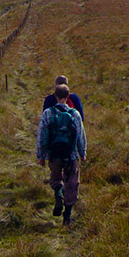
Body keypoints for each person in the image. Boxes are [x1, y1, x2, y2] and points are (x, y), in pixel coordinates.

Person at [36, 84, 87, 225]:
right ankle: (67, 216)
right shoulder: (75, 114)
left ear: (55, 96)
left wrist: (41, 156)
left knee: (55, 177)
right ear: (68, 97)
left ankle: (58, 193)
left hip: (53, 154)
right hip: (71, 155)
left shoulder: (47, 113)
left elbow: (41, 135)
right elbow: (80, 136)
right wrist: (82, 153)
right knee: (72, 183)